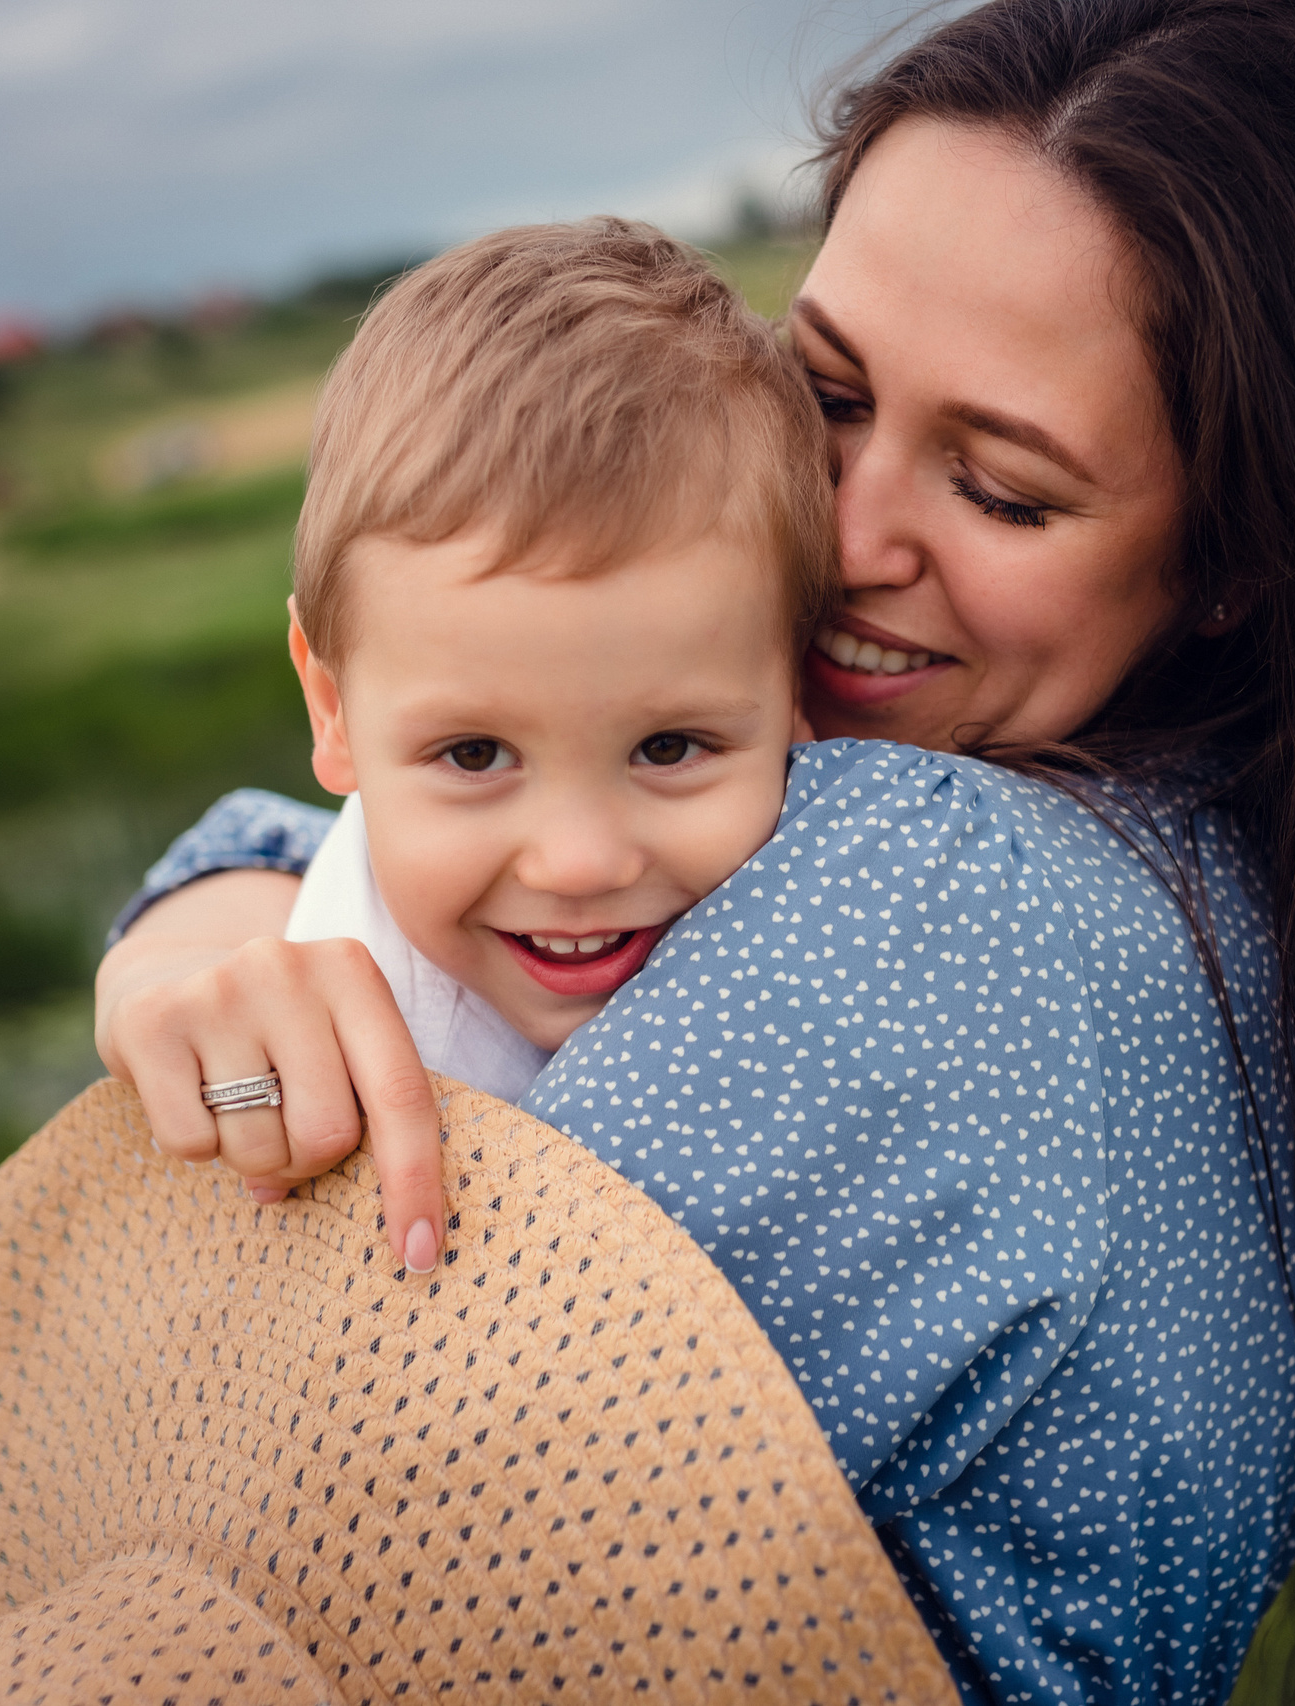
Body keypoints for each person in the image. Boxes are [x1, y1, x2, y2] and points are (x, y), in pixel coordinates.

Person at [97, 2, 1295, 1702]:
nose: (839, 535)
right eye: (821, 395)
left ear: (1245, 555)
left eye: (999, 485)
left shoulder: (932, 892)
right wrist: (222, 919)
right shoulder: (1271, 878)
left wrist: (234, 949)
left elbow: (296, 1520)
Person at [150, 220, 834, 1262]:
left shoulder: (840, 932)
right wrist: (160, 956)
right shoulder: (303, 1009)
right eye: (475, 755)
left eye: (668, 747)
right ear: (331, 712)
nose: (580, 862)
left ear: (798, 689)